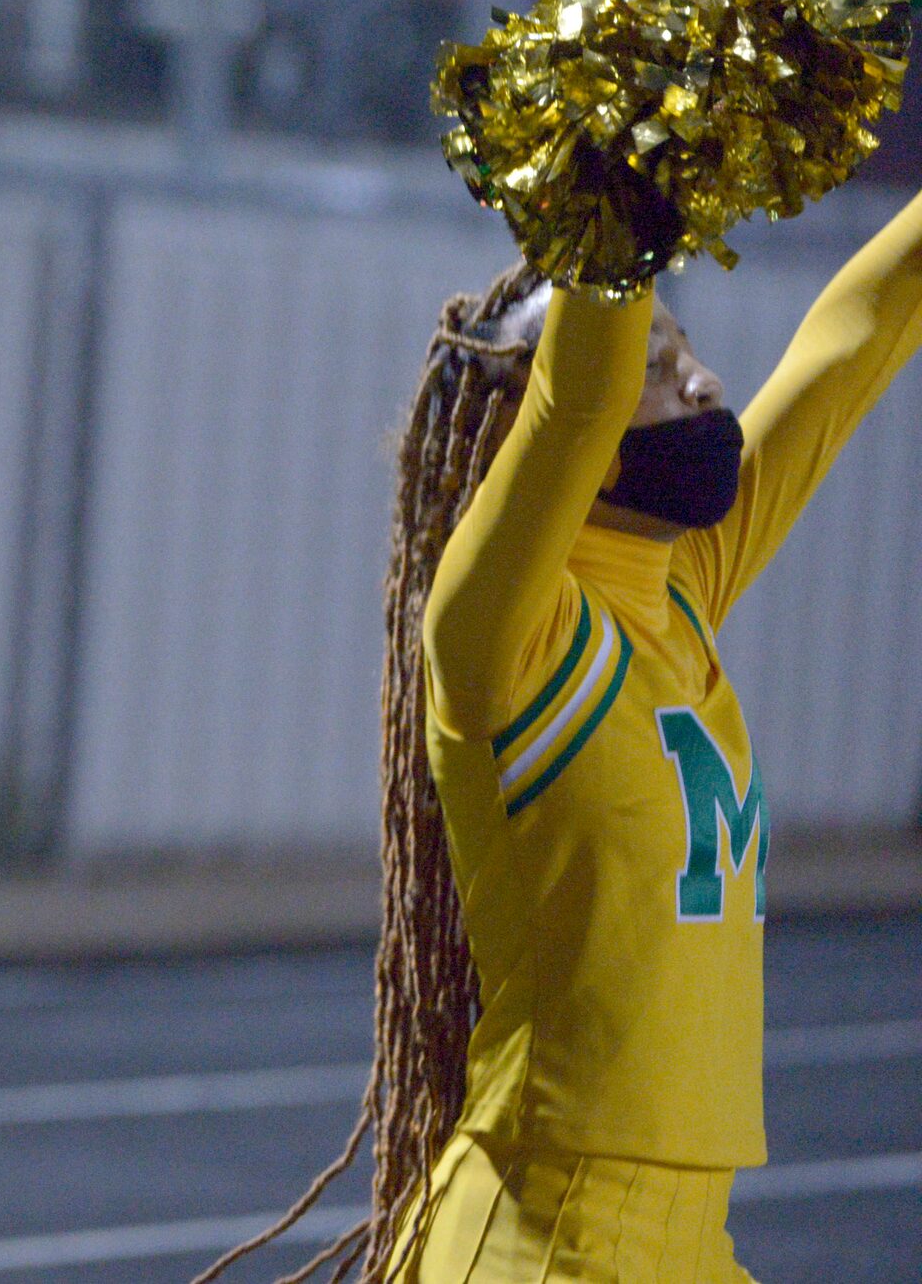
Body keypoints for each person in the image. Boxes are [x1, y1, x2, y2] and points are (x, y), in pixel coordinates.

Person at [211, 195, 922, 1281]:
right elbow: (584, 382)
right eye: (658, 363)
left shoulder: (679, 590)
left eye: (686, 353)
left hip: (696, 1240)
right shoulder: (501, 632)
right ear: (547, 439)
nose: (706, 385)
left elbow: (858, 337)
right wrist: (617, 171)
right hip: (541, 1238)